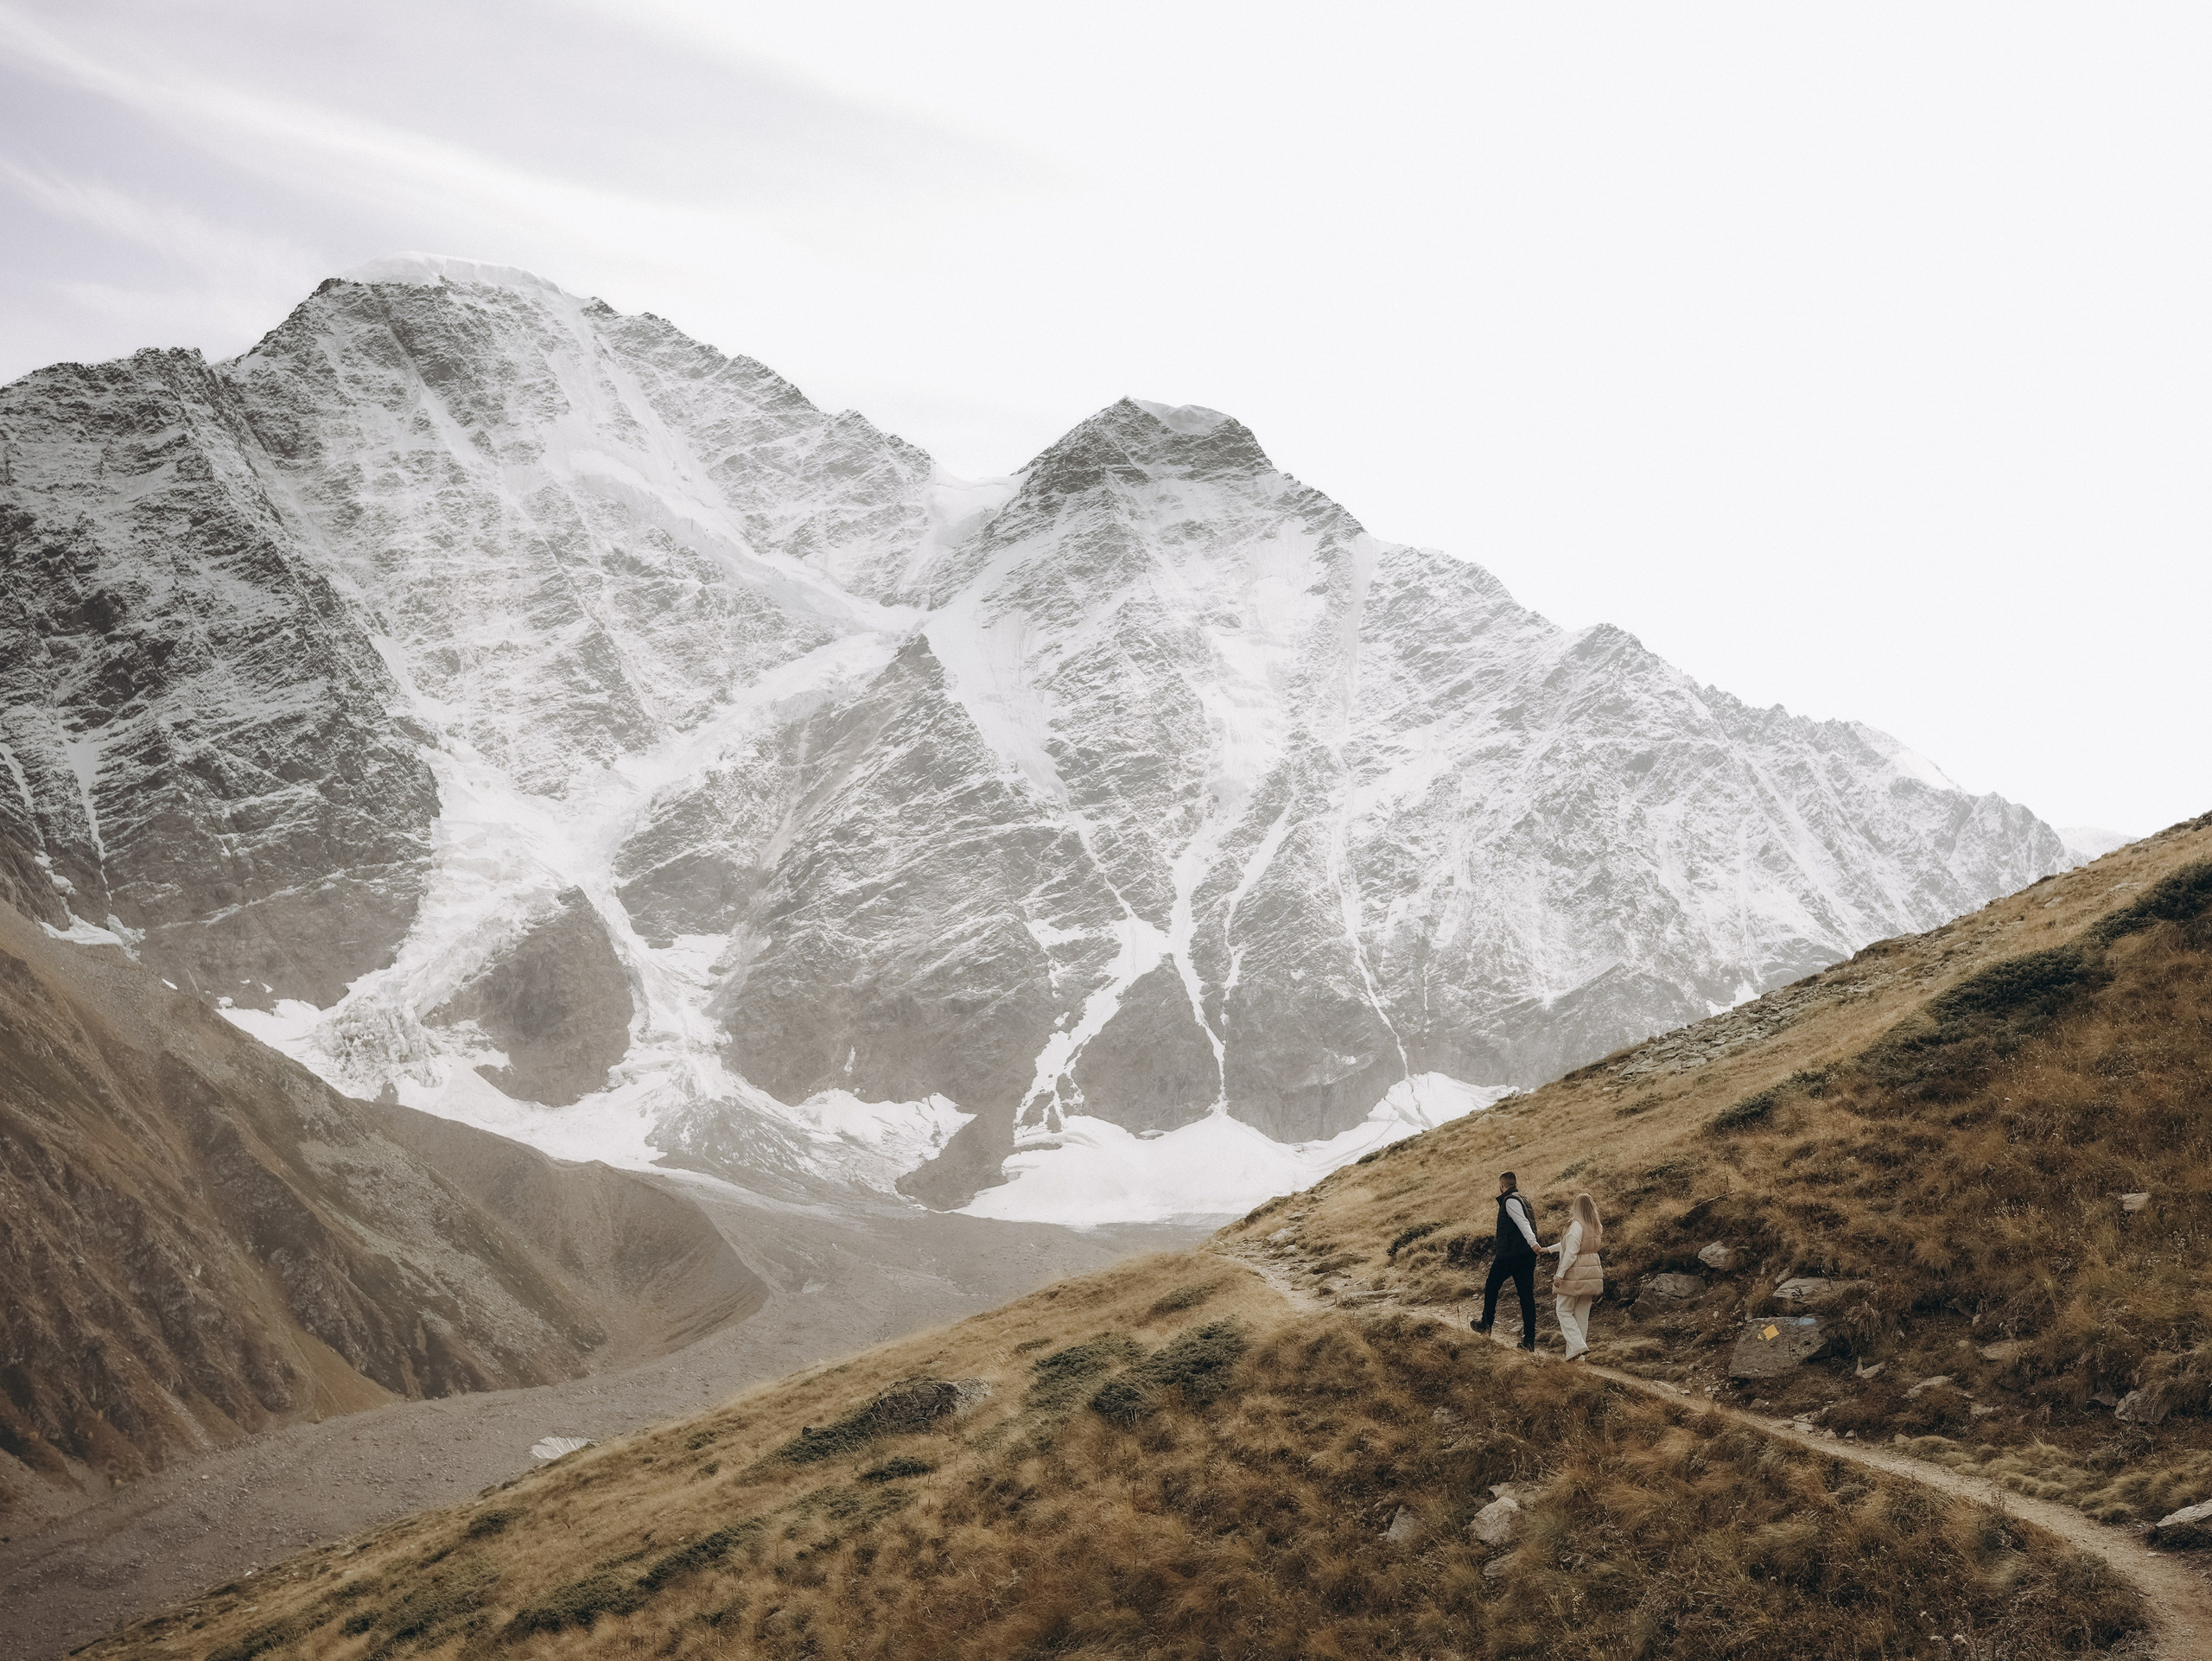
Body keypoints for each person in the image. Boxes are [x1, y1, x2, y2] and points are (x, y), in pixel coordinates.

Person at [1471, 1172, 1541, 1352]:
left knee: (1492, 1286)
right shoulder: (1523, 1199)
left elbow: (1523, 1223)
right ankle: (1529, 1342)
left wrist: (1534, 1244)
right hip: (1525, 1256)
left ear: (1502, 1185)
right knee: (1526, 1297)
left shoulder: (1510, 1201)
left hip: (1511, 1255)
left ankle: (1486, 1324)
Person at [1551, 1191, 1605, 1361]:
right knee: (1581, 1314)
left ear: (1577, 1207)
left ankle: (1577, 1346)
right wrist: (1548, 1249)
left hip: (1575, 1273)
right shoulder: (1595, 1225)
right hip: (1592, 1272)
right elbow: (1569, 1243)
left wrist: (1560, 1274)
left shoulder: (1576, 1224)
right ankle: (1577, 1357)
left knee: (1563, 1310)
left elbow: (1571, 1252)